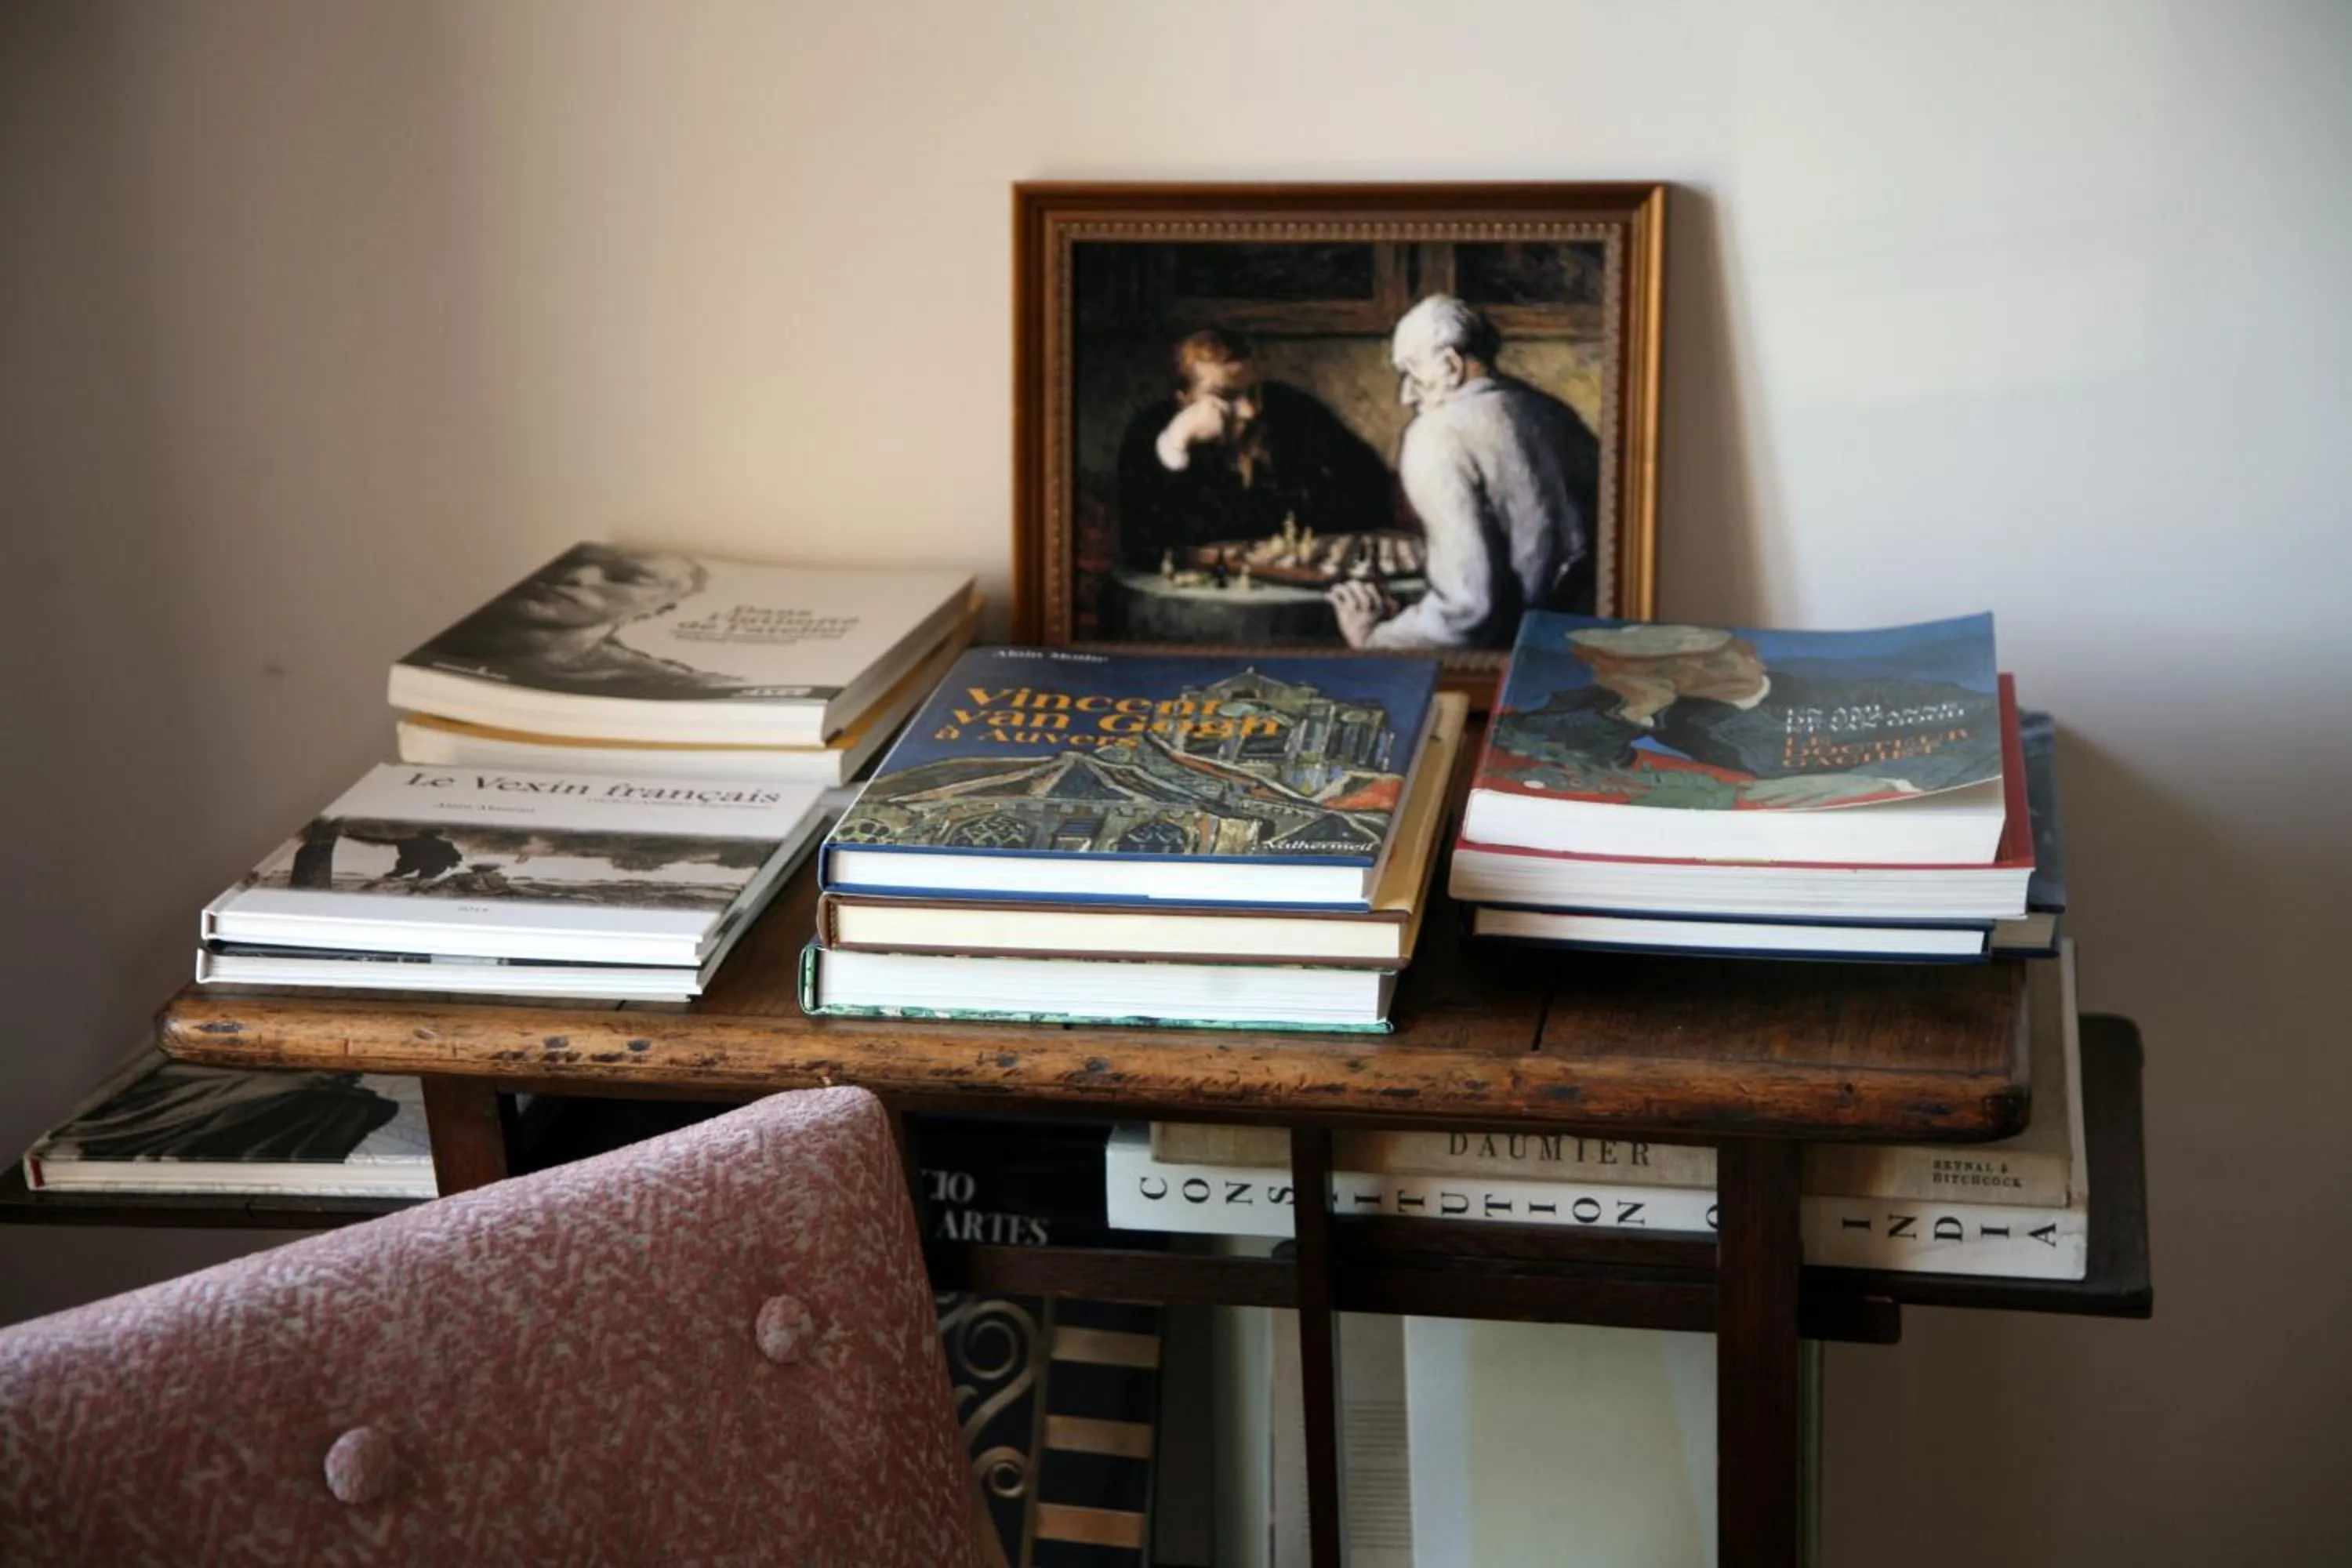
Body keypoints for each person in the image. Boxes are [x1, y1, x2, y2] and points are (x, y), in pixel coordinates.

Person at [1328, 296, 1600, 649]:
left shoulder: (1438, 434)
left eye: (1412, 373)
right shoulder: (1554, 414)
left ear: (1451, 364)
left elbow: (1466, 610)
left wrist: (1376, 638)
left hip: (1503, 659)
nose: (1406, 396)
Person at [1495, 622, 2001, 804]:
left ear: (1746, 651)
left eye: (1715, 657)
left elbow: (1986, 724)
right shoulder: (1666, 703)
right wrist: (1632, 713)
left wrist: (1896, 782)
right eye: (1677, 668)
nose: (1700, 674)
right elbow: (1520, 738)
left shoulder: (1853, 693)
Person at [1114, 329, 1392, 573]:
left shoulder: (1293, 409)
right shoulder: (1151, 433)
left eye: (1254, 392)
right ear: (1184, 399)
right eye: (1226, 396)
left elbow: (1371, 489)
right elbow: (1145, 545)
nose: (1249, 411)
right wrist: (1176, 446)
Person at [406, 543, 730, 695]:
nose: (575, 575)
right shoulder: (432, 638)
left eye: (627, 577)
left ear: (658, 609)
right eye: (577, 562)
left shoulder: (668, 684)